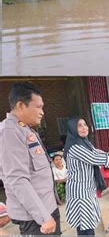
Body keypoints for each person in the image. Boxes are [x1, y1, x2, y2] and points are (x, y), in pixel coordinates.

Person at [0, 82, 60, 235]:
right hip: (36, 218)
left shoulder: (24, 129)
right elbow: (17, 179)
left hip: (46, 209)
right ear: (21, 105)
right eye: (38, 107)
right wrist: (44, 217)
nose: (42, 112)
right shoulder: (10, 132)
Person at [64, 118, 109, 235]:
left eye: (85, 124)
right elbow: (95, 159)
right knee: (84, 226)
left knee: (88, 222)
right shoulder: (75, 147)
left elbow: (99, 153)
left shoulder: (85, 143)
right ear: (73, 129)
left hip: (87, 188)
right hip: (80, 192)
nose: (84, 128)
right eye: (80, 126)